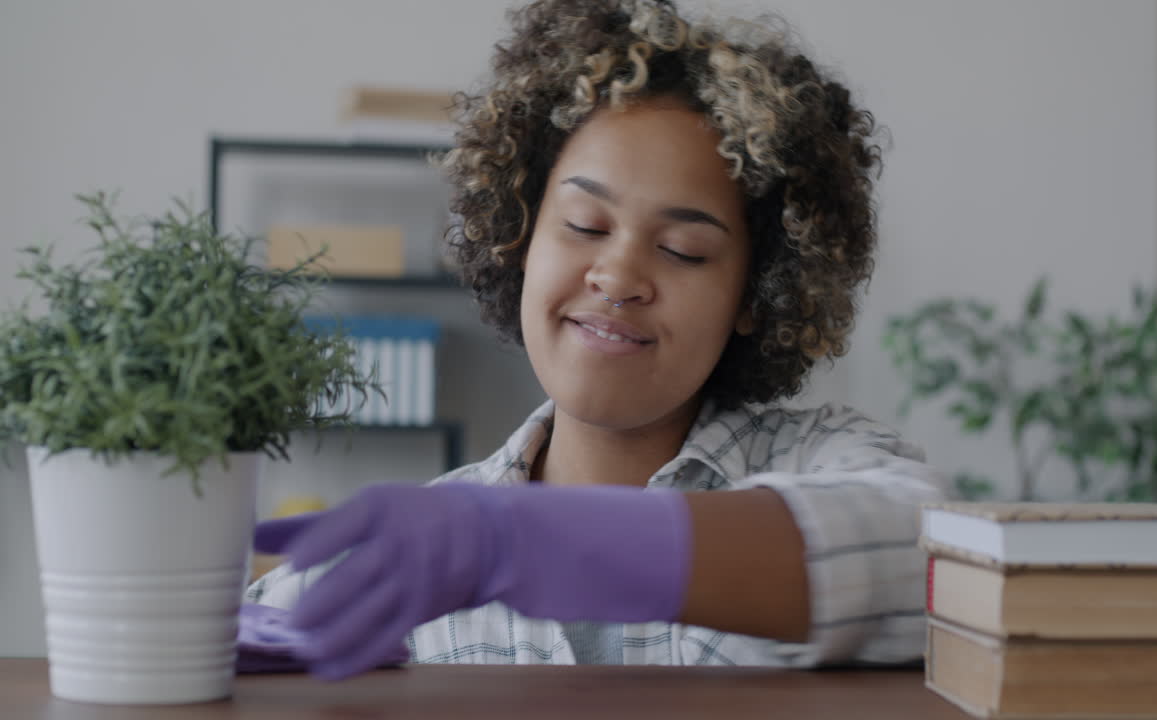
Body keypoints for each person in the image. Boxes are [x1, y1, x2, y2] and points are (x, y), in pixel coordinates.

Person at [245, 0, 946, 679]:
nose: (618, 278)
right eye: (584, 225)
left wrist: (521, 543)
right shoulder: (428, 550)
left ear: (754, 297)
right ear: (519, 235)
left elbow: (935, 564)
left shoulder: (822, 460)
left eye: (682, 249)